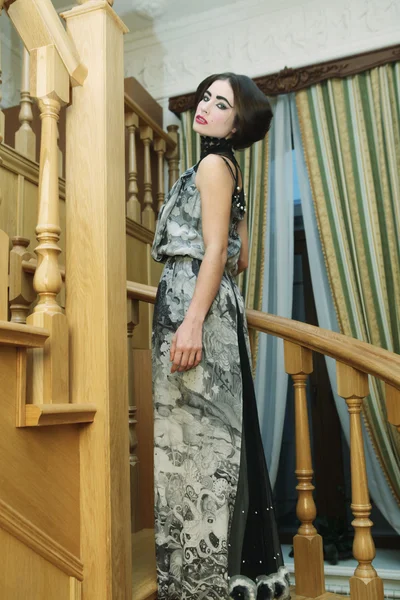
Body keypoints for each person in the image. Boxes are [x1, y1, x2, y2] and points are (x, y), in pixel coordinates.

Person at [151, 72, 290, 600]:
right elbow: (243, 259)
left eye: (222, 102)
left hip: (197, 305)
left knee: (200, 449)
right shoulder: (230, 170)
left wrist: (190, 319)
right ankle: (226, 579)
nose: (206, 106)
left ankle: (197, 585)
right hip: (216, 306)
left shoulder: (211, 165)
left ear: (238, 122)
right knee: (218, 444)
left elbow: (215, 254)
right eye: (206, 97)